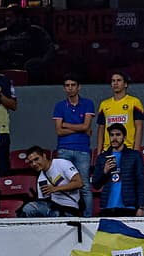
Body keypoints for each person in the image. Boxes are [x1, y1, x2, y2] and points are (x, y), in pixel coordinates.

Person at [52, 74, 96, 215]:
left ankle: (88, 218)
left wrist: (66, 124)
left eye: (73, 85)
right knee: (64, 185)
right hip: (64, 150)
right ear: (64, 88)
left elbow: (86, 126)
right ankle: (67, 214)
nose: (70, 88)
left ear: (79, 87)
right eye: (67, 85)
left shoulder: (88, 103)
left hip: (82, 150)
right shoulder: (59, 106)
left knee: (84, 185)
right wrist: (80, 127)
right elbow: (59, 131)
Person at [91, 123, 144, 217]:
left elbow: (140, 182)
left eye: (118, 135)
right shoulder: (102, 157)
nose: (114, 138)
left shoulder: (134, 156)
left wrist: (141, 207)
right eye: (112, 135)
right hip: (107, 208)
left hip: (128, 208)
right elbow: (96, 184)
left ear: (124, 137)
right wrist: (104, 172)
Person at [19, 146, 84, 218]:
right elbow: (43, 201)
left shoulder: (61, 163)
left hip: (70, 208)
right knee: (28, 208)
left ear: (44, 156)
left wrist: (55, 189)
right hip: (53, 208)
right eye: (31, 162)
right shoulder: (41, 178)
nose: (34, 164)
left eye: (36, 159)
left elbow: (79, 183)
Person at [95, 72, 144, 153]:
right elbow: (101, 129)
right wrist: (99, 152)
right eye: (113, 81)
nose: (115, 83)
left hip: (128, 149)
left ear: (125, 84)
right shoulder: (104, 104)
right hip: (108, 150)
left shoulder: (134, 102)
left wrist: (136, 151)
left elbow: (139, 128)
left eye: (118, 80)